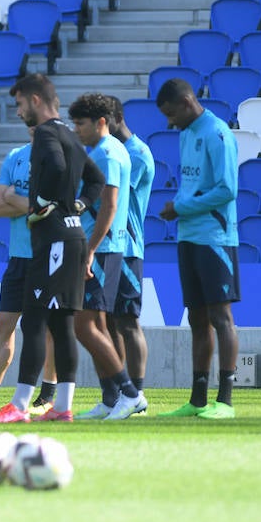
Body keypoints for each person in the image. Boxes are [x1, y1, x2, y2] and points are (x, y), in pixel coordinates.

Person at [0, 74, 140, 423]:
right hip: (72, 236)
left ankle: (19, 405)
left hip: (55, 241)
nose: (18, 112)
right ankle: (63, 406)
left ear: (35, 100)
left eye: (19, 104)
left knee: (35, 321)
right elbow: (95, 180)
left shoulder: (47, 134)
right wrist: (77, 206)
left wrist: (45, 204)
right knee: (64, 324)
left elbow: (60, 168)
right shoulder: (68, 134)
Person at [157, 78, 240, 419]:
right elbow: (193, 185)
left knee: (221, 317)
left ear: (187, 102)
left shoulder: (218, 133)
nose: (169, 122)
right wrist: (180, 207)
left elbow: (227, 189)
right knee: (197, 318)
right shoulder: (186, 134)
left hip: (215, 237)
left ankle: (226, 401)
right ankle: (198, 399)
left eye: (171, 113)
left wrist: (181, 208)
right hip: (188, 235)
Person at [68, 93, 145, 420]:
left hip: (102, 249)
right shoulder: (107, 150)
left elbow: (110, 206)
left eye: (81, 123)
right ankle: (111, 398)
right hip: (104, 248)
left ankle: (130, 393)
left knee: (84, 326)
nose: (76, 130)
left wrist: (90, 250)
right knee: (97, 324)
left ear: (101, 122)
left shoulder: (108, 154)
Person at [0, 128, 60, 420]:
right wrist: (33, 206)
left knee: (47, 328)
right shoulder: (15, 156)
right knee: (4, 322)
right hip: (18, 257)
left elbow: (56, 209)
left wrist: (16, 200)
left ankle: (47, 395)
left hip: (48, 256)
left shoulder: (59, 157)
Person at [108, 97, 154, 400]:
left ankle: (136, 392)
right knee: (109, 322)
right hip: (111, 246)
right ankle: (117, 392)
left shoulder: (136, 154)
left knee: (128, 322)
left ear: (115, 118)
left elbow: (113, 199)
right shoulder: (115, 151)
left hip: (128, 247)